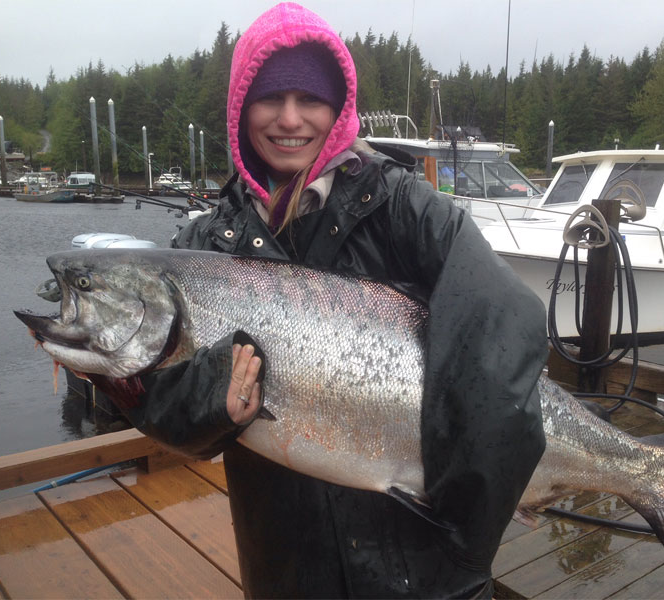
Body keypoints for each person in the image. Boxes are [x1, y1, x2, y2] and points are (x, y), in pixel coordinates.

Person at [126, 3, 548, 597]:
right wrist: (211, 405)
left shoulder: (402, 205)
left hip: (428, 571)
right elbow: (162, 412)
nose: (290, 119)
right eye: (270, 98)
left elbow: (503, 318)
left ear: (339, 107)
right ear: (241, 110)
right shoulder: (202, 246)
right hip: (289, 571)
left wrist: (468, 512)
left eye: (310, 100)